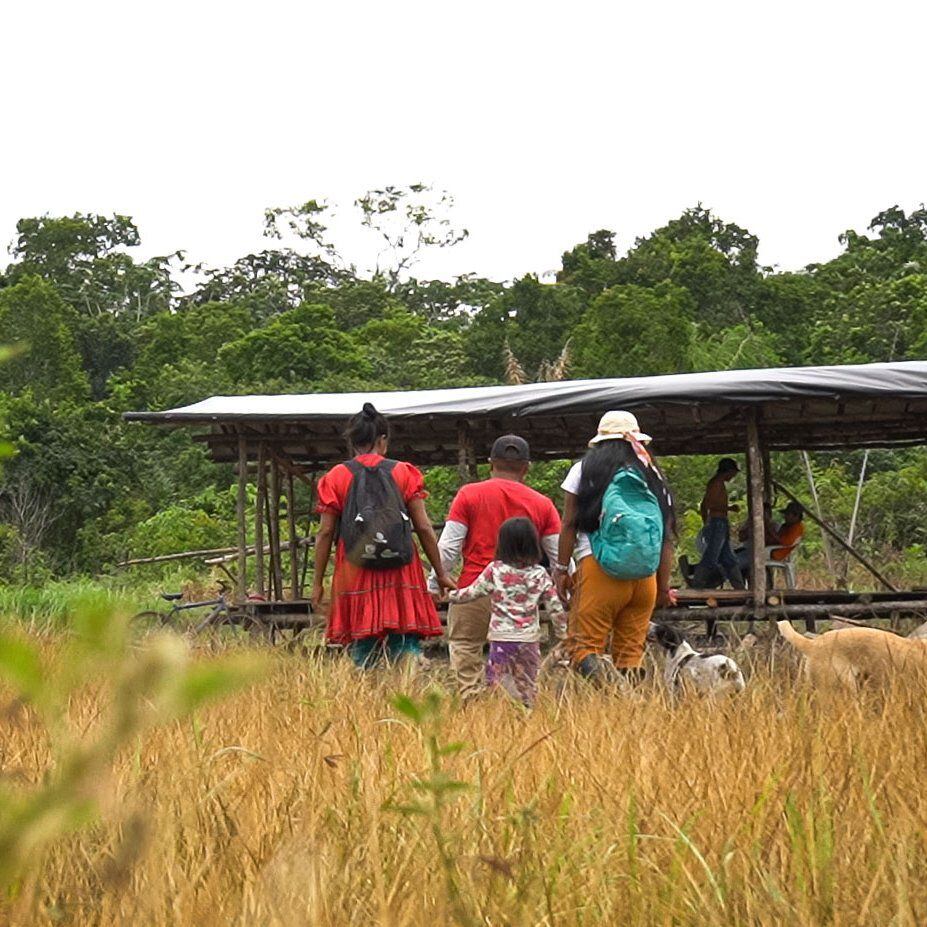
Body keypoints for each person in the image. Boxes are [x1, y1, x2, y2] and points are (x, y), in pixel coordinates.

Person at [312, 403, 456, 668]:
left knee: (362, 640)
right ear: (383, 440)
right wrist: (441, 572)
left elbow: (325, 532)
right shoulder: (403, 472)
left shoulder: (336, 477)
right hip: (400, 568)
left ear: (352, 442)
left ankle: (368, 696)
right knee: (404, 639)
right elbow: (423, 527)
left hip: (355, 570)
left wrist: (318, 582)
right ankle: (406, 688)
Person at [429, 435, 561, 700]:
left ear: (491, 464)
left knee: (465, 645)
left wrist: (435, 583)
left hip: (474, 585)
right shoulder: (542, 504)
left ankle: (473, 703)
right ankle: (514, 708)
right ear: (526, 467)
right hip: (520, 597)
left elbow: (449, 547)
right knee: (519, 664)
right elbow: (558, 557)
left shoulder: (469, 494)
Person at [556, 411, 676, 683]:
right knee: (630, 654)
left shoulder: (583, 470)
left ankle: (612, 695)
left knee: (583, 648)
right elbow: (666, 538)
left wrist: (562, 569)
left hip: (599, 569)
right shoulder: (653, 474)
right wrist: (663, 587)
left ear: (599, 441)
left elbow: (569, 525)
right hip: (644, 577)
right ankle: (629, 710)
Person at [446, 517, 566, 708]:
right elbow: (555, 607)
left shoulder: (495, 570)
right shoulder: (540, 574)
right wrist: (563, 633)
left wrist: (449, 595)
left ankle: (501, 719)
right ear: (534, 544)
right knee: (527, 685)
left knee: (498, 685)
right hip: (528, 640)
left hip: (501, 639)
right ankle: (525, 717)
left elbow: (472, 592)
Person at [691, 458, 745, 590]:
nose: (733, 476)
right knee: (711, 556)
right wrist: (729, 508)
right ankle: (696, 585)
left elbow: (705, 505)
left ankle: (740, 588)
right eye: (733, 473)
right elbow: (710, 505)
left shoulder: (717, 483)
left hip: (719, 522)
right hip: (717, 522)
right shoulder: (716, 483)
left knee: (728, 558)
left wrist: (706, 522)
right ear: (728, 471)